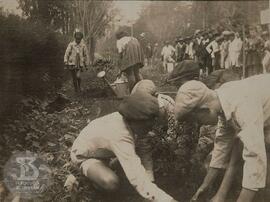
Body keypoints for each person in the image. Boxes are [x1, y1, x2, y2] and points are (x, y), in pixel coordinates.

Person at [174, 74, 270, 202]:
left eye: (197, 120)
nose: (200, 124)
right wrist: (205, 186)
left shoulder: (243, 107)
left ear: (204, 109)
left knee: (259, 156)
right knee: (239, 145)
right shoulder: (222, 99)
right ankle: (220, 196)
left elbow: (255, 157)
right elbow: (222, 144)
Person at [71, 92, 178, 202]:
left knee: (134, 165)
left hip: (104, 153)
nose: (150, 129)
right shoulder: (120, 135)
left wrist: (150, 182)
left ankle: (108, 167)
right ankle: (93, 181)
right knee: (111, 182)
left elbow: (144, 153)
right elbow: (135, 174)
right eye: (148, 126)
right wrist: (166, 200)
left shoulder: (132, 124)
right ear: (136, 121)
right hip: (84, 156)